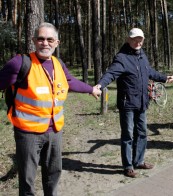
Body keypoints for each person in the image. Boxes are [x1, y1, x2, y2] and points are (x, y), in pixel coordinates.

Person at [0, 22, 101, 196]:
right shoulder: (20, 63)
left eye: (49, 39)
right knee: (27, 178)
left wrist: (90, 89)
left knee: (53, 173)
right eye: (40, 39)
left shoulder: (58, 63)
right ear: (33, 40)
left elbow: (70, 82)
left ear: (57, 43)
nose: (45, 43)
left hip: (55, 131)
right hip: (28, 133)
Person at [95, 28, 169, 178]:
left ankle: (139, 160)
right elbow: (111, 74)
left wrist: (164, 78)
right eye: (135, 39)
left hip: (142, 102)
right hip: (127, 103)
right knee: (128, 135)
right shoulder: (122, 58)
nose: (138, 42)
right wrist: (99, 85)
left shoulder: (142, 55)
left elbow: (149, 71)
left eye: (140, 39)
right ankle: (128, 166)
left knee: (142, 133)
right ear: (128, 39)